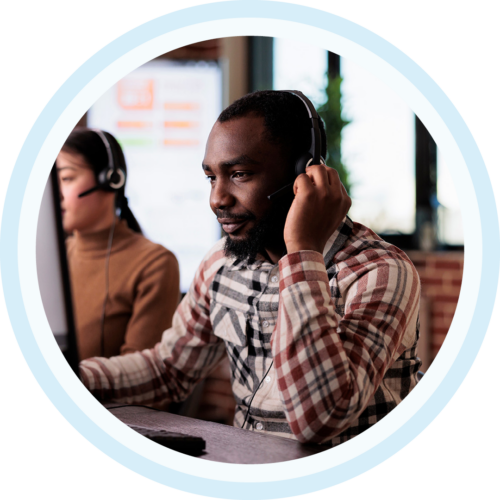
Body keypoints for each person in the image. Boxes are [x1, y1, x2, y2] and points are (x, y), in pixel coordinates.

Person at [80, 91, 422, 446]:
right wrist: (71, 377)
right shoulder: (221, 263)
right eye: (211, 177)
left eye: (239, 174)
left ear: (302, 174)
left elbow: (320, 419)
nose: (217, 199)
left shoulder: (379, 271)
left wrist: (302, 252)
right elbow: (169, 370)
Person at [56, 128, 180, 359]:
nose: (55, 193)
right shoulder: (54, 256)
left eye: (66, 178)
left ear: (110, 179)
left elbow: (141, 378)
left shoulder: (155, 264)